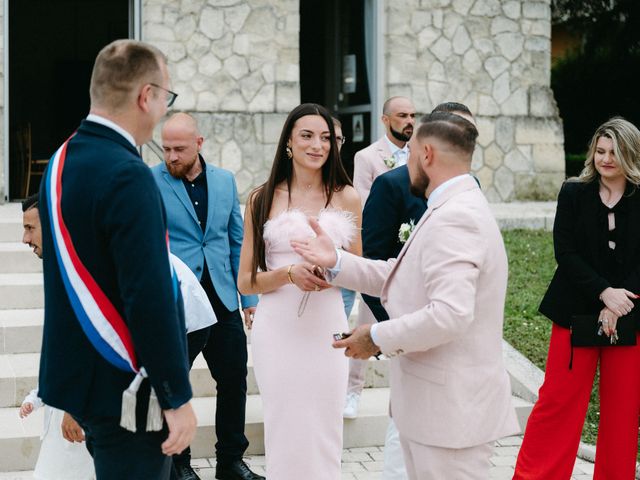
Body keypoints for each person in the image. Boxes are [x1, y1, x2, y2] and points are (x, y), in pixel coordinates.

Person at [292, 112, 519, 480]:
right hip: (434, 410)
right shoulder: (448, 206)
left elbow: (450, 315)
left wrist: (375, 337)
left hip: (450, 416)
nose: (405, 161)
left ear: (426, 153)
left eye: (409, 152)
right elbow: (401, 277)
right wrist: (336, 260)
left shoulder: (456, 217)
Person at [37, 39, 196, 480]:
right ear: (146, 96)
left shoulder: (62, 159)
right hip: (127, 389)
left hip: (76, 376)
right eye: (167, 96)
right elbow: (149, 295)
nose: (164, 108)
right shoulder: (129, 175)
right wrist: (175, 397)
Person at [237, 103, 362, 479]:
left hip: (327, 330)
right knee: (284, 426)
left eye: (325, 137)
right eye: (307, 135)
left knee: (325, 427)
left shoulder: (347, 197)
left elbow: (361, 273)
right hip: (277, 331)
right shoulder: (262, 199)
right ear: (289, 142)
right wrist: (289, 273)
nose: (317, 145)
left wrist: (333, 266)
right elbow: (245, 282)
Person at [513, 117, 640, 480]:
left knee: (623, 409)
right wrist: (604, 293)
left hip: (629, 313)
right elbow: (565, 252)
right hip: (574, 311)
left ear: (630, 154)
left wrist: (619, 302)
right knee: (558, 402)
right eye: (600, 151)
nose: (605, 159)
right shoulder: (573, 192)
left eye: (614, 152)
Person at [152, 112, 262, 480]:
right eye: (166, 148)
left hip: (223, 299)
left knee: (233, 381)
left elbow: (235, 241)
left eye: (179, 149)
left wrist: (248, 299)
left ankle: (230, 461)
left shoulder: (225, 181)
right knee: (173, 386)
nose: (171, 157)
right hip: (176, 303)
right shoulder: (150, 182)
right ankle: (178, 465)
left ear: (199, 144)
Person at [345, 96, 416, 419]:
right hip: (380, 246)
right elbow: (361, 202)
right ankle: (352, 392)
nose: (409, 120)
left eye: (413, 115)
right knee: (368, 318)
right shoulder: (367, 157)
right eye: (402, 115)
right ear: (386, 119)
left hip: (413, 247)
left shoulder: (423, 154)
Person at [20, 194, 95, 480]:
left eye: (30, 228)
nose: (24, 238)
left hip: (80, 410)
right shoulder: (59, 268)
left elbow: (87, 344)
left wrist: (74, 408)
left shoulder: (79, 273)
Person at [332, 116, 357, 320]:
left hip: (339, 288)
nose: (327, 145)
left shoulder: (347, 193)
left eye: (337, 139)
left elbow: (357, 256)